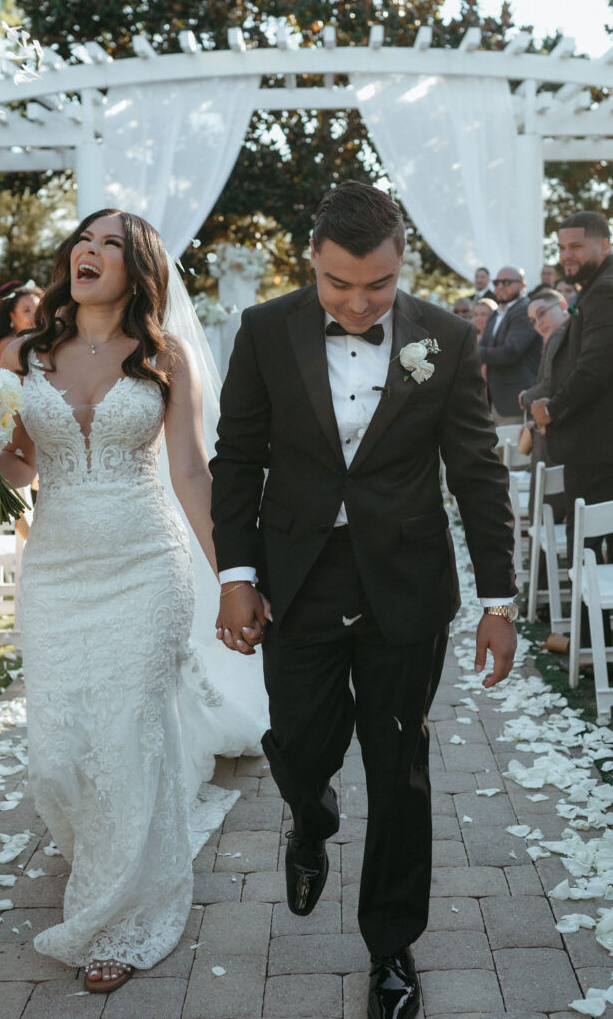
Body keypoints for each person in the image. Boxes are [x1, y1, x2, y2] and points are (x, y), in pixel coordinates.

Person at [210, 181, 517, 1019]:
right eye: (338, 283)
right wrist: (236, 576)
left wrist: (500, 601)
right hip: (299, 579)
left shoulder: (447, 338)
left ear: (402, 265)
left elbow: (478, 472)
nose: (355, 302)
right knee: (302, 743)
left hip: (407, 583)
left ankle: (392, 949)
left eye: (376, 286)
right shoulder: (265, 329)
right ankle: (310, 818)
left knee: (399, 766)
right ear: (312, 260)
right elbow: (236, 461)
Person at [0, 208, 267, 994]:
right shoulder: (20, 353)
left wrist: (236, 577)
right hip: (58, 567)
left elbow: (193, 473)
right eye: (84, 241)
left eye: (113, 246)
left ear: (140, 269)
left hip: (143, 562)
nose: (90, 252)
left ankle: (121, 919)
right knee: (57, 755)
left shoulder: (167, 355)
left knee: (127, 736)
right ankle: (108, 850)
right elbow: (20, 468)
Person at [531, 211, 613, 563]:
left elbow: (594, 368)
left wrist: (551, 409)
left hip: (596, 446)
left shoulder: (604, 290)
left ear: (605, 245)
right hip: (597, 442)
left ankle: (586, 618)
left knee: (585, 552)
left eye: (576, 246)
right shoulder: (597, 287)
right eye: (562, 247)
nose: (566, 255)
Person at [519, 289, 568, 524]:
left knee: (546, 506)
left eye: (542, 314)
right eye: (532, 320)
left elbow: (550, 385)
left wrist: (526, 398)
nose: (538, 323)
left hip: (556, 433)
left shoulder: (559, 337)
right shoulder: (559, 336)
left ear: (563, 305)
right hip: (553, 425)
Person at [478, 266, 541, 424]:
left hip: (517, 399)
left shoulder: (526, 310)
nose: (499, 287)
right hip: (495, 400)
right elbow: (484, 348)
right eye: (497, 282)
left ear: (523, 285)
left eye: (506, 282)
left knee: (514, 449)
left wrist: (472, 351)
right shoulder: (493, 314)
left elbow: (511, 351)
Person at [0, 284, 43, 366]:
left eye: (39, 309)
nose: (35, 316)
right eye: (27, 310)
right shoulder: (7, 346)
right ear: (12, 315)